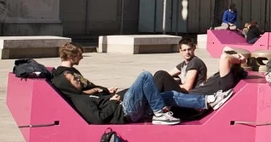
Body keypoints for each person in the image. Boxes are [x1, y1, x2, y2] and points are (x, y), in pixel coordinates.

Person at [52, 43, 231, 125]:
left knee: (168, 94)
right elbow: (98, 118)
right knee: (146, 76)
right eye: (74, 80)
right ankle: (160, 112)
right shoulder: (78, 98)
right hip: (123, 111)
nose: (77, 81)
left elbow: (87, 90)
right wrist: (112, 100)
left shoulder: (80, 91)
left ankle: (208, 101)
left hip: (122, 106)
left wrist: (104, 92)